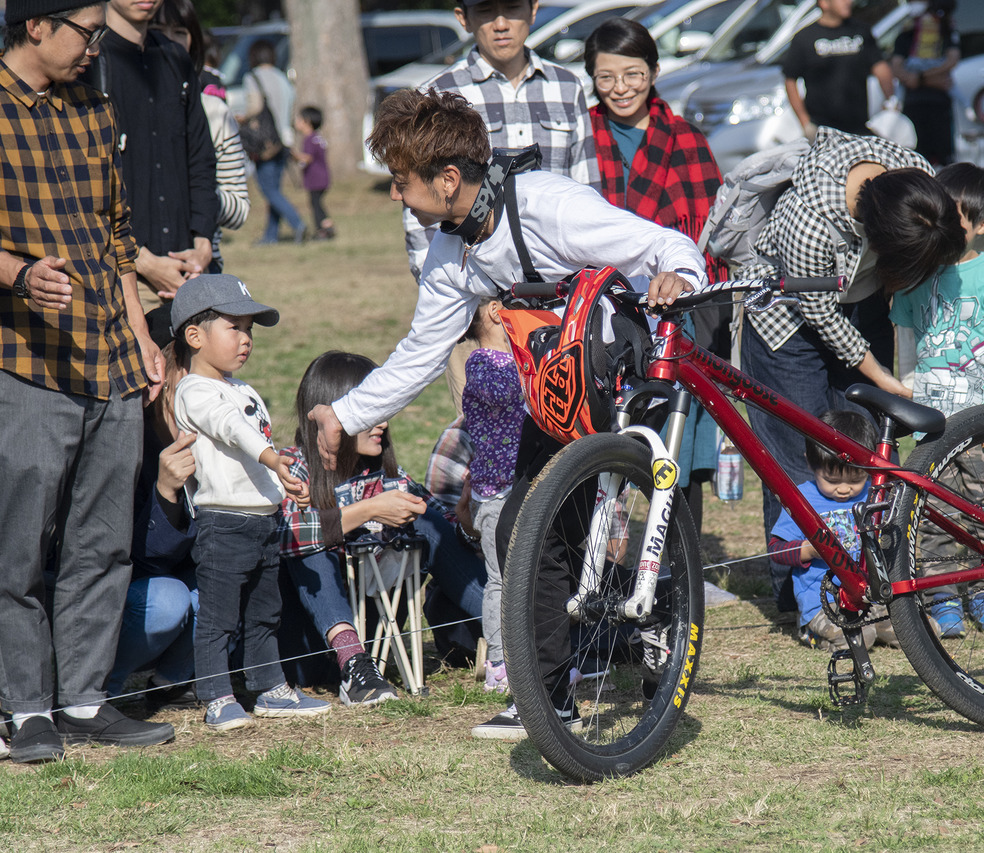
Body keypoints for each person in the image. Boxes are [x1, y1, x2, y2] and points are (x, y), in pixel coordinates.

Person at [305, 88, 707, 740]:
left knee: (545, 528)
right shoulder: (450, 248)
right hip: (553, 394)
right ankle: (550, 694)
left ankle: (625, 644)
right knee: (522, 529)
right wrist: (343, 415)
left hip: (619, 373)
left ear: (449, 179)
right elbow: (419, 353)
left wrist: (679, 277)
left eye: (402, 182)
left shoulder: (550, 204)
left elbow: (659, 244)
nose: (396, 196)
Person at [0, 0, 173, 764]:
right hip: (26, 364)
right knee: (19, 548)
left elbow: (114, 235)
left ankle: (83, 699)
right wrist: (17, 274)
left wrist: (141, 341)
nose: (96, 47)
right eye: (87, 31)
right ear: (36, 24)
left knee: (101, 543)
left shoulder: (94, 104)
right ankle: (25, 708)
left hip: (110, 356)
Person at [737, 129, 966, 612]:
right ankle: (803, 598)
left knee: (863, 451)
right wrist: (883, 378)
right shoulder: (811, 221)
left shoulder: (913, 178)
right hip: (787, 320)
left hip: (862, 306)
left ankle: (870, 581)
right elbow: (819, 314)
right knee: (803, 460)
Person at [412, 0, 599, 414]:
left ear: (534, 10)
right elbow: (421, 219)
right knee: (491, 457)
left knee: (572, 449)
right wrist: (467, 311)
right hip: (481, 315)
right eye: (485, 11)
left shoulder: (567, 88)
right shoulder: (440, 94)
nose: (500, 23)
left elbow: (588, 192)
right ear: (463, 17)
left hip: (562, 316)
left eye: (512, 8)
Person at [584, 17, 729, 529]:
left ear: (654, 71)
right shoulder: (583, 137)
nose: (620, 88)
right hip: (603, 302)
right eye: (606, 78)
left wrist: (684, 280)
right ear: (592, 80)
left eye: (633, 73)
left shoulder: (686, 139)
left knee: (676, 439)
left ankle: (678, 559)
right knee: (603, 434)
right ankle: (603, 550)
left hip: (676, 307)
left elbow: (711, 232)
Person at [280, 352, 488, 705]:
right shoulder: (294, 466)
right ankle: (353, 664)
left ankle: (518, 635)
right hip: (306, 645)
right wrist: (368, 510)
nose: (383, 423)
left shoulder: (384, 475)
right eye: (371, 410)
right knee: (310, 542)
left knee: (424, 518)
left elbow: (442, 529)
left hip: (377, 636)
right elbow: (289, 536)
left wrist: (466, 526)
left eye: (383, 409)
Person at [171, 274, 329, 730]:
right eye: (235, 327)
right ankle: (218, 695)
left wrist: (282, 484)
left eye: (250, 331)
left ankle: (268, 687)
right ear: (195, 336)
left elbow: (256, 452)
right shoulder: (195, 392)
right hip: (224, 522)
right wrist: (271, 457)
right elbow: (232, 430)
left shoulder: (240, 388)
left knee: (266, 611)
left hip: (263, 519)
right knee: (219, 617)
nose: (246, 340)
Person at [889, 162, 984, 638]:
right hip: (931, 426)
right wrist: (906, 400)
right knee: (932, 517)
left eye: (957, 220)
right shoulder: (913, 275)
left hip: (983, 427)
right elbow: (905, 343)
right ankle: (940, 597)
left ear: (983, 225)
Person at [95, 0, 218, 303]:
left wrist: (203, 240)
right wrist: (140, 259)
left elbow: (200, 156)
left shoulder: (175, 56)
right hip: (119, 275)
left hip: (189, 270)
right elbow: (81, 181)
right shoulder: (89, 60)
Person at [106, 306, 199, 709]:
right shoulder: (123, 442)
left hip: (179, 588)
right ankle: (96, 691)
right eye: (188, 375)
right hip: (130, 597)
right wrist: (165, 492)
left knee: (221, 581)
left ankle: (172, 681)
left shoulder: (220, 433)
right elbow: (135, 564)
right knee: (168, 599)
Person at [768, 410, 884, 652]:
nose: (843, 489)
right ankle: (812, 632)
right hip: (822, 602)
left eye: (855, 480)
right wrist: (809, 551)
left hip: (867, 595)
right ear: (811, 463)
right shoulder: (801, 498)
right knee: (864, 637)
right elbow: (775, 550)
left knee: (905, 628)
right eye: (831, 480)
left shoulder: (874, 494)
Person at [151, 0, 250, 274]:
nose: (169, 42)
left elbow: (239, 210)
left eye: (180, 33)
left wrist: (197, 192)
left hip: (202, 271)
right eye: (158, 31)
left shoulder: (215, 112)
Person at [454, 298, 522, 695]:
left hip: (517, 486)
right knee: (499, 579)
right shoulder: (481, 364)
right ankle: (498, 663)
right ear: (497, 311)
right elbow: (509, 392)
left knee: (524, 577)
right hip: (494, 493)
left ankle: (530, 659)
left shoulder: (512, 361)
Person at [782, 0, 895, 140]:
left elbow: (880, 67)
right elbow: (790, 80)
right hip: (822, 129)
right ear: (824, 3)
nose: (849, 2)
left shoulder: (860, 32)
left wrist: (891, 102)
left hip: (859, 128)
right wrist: (805, 122)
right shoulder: (805, 38)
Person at [241, 39, 307, 245]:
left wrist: (241, 118)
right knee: (274, 189)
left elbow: (255, 106)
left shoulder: (253, 78)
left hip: (265, 143)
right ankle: (270, 236)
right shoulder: (282, 78)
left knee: (269, 190)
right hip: (284, 141)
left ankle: (297, 223)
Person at [890, 0, 961, 166]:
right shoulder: (906, 34)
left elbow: (952, 60)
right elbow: (897, 69)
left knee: (942, 160)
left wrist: (920, 78)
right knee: (915, 158)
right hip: (913, 105)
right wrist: (933, 79)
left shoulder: (946, 30)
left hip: (939, 106)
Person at [293, 105, 334, 240]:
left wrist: (293, 154)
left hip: (316, 179)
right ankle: (327, 226)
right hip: (322, 177)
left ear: (307, 121)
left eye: (300, 119)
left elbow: (308, 158)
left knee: (315, 204)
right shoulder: (317, 137)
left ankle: (323, 230)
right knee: (318, 203)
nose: (297, 122)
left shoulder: (309, 139)